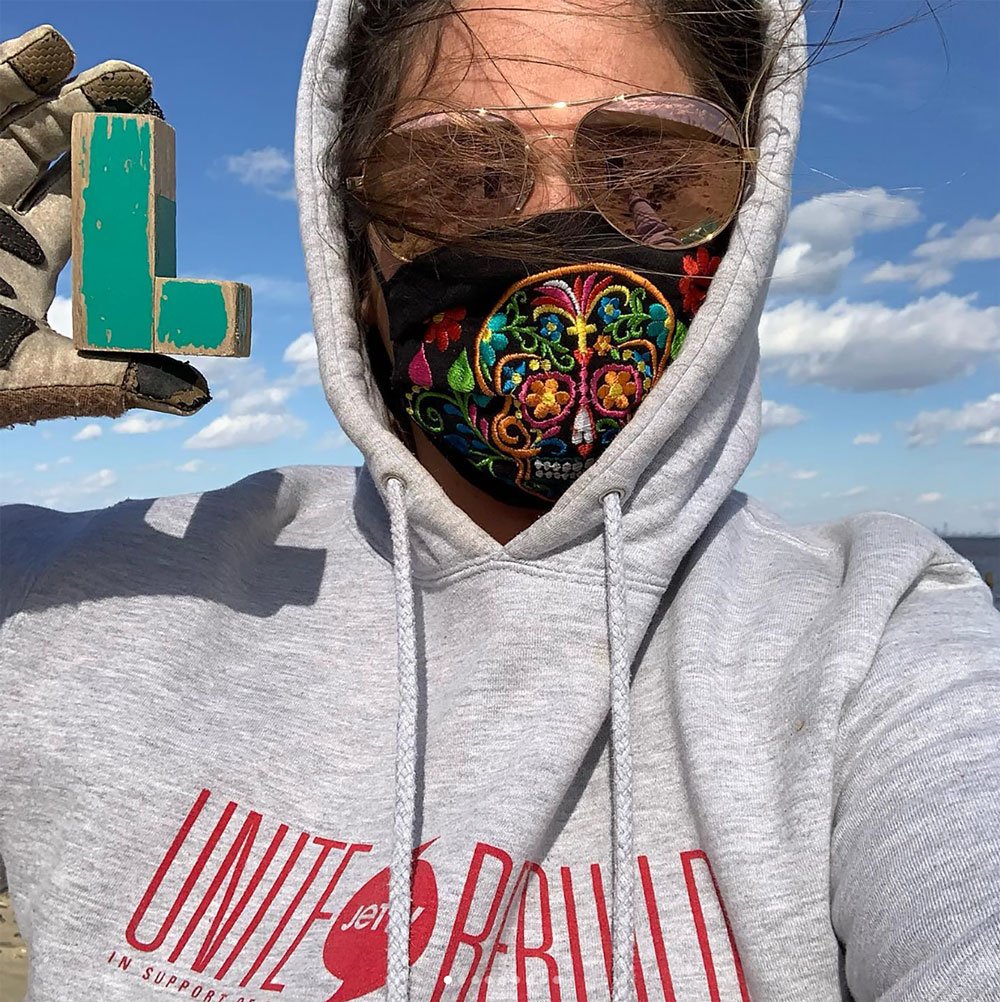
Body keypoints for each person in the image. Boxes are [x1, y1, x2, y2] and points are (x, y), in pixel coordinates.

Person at [1, 2, 998, 1000]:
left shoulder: (876, 638)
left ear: (744, 231)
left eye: (652, 178)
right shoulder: (77, 602)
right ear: (353, 257)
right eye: (457, 181)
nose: (546, 227)